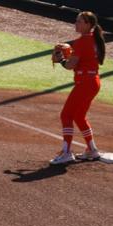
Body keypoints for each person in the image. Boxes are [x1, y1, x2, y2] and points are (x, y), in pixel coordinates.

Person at [50, 11, 106, 165]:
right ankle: (92, 149)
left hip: (85, 83)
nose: (76, 23)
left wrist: (62, 59)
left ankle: (66, 152)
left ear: (88, 24)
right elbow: (81, 59)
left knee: (66, 115)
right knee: (79, 116)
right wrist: (69, 54)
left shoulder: (82, 41)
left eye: (79, 21)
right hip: (93, 82)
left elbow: (70, 65)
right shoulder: (94, 39)